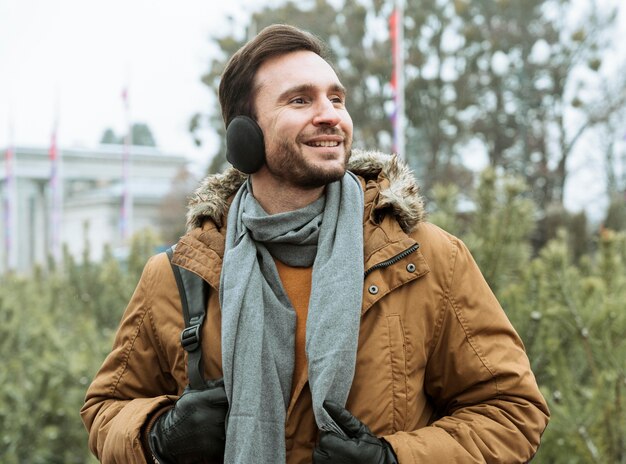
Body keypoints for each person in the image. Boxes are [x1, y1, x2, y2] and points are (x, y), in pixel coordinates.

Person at [81, 24, 549, 464]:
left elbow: (512, 411)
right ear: (245, 136)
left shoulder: (424, 257)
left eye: (336, 99)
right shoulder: (181, 272)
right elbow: (105, 409)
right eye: (300, 100)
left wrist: (396, 458)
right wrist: (158, 434)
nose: (330, 115)